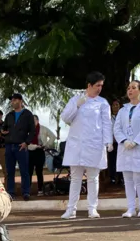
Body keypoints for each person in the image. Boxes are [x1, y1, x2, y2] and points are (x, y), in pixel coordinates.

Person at [60, 72, 113, 219]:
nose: (99, 88)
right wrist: (77, 105)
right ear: (89, 85)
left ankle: (92, 208)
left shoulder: (103, 103)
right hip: (77, 144)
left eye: (101, 86)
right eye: (97, 85)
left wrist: (108, 141)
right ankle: (71, 209)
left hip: (94, 144)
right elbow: (65, 117)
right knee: (75, 178)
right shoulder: (76, 99)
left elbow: (106, 123)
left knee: (93, 178)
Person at [114, 80, 140, 217]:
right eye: (128, 88)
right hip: (125, 148)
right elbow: (117, 128)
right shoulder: (122, 110)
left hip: (139, 147)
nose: (130, 90)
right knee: (128, 179)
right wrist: (124, 140)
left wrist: (136, 141)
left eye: (133, 88)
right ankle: (131, 208)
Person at [2, 93, 34, 200]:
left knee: (24, 170)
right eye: (11, 100)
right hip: (9, 146)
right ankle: (10, 192)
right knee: (9, 171)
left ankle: (26, 192)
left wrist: (26, 142)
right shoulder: (9, 115)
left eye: (15, 100)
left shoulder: (28, 114)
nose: (12, 102)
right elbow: (3, 128)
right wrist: (3, 132)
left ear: (20, 101)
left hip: (21, 146)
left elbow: (33, 131)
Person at [27, 115, 56, 197]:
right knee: (29, 172)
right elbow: (26, 141)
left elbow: (52, 137)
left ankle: (40, 190)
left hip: (40, 152)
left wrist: (46, 145)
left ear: (38, 120)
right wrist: (35, 146)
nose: (33, 122)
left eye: (34, 120)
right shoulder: (28, 129)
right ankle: (27, 190)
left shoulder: (43, 128)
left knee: (39, 171)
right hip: (30, 151)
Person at [107, 99, 122, 186]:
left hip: (121, 143)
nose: (115, 107)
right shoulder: (109, 117)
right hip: (112, 143)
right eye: (113, 105)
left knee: (120, 161)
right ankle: (112, 178)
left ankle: (120, 178)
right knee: (112, 161)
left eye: (117, 105)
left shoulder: (122, 117)